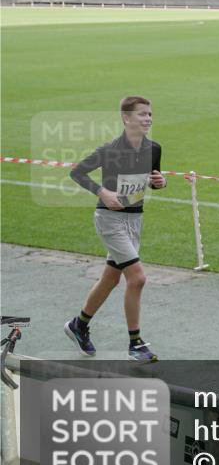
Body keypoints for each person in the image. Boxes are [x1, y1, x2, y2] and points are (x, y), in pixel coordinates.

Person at [64, 96, 165, 364]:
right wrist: (102, 191)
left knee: (111, 279)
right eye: (142, 114)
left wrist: (160, 181)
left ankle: (79, 324)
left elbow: (153, 179)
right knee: (138, 278)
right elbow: (77, 173)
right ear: (126, 118)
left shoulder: (154, 148)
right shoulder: (109, 150)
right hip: (109, 220)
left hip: (135, 220)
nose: (148, 119)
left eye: (150, 114)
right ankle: (135, 343)